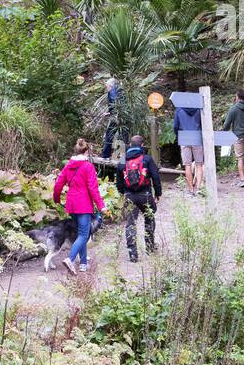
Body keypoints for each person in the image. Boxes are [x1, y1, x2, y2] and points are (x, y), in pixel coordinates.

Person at [53, 139, 105, 276]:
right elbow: (93, 189)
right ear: (87, 151)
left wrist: (57, 199)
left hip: (71, 204)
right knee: (84, 234)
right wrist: (101, 205)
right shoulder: (88, 167)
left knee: (83, 233)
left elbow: (58, 184)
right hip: (83, 204)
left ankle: (83, 264)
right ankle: (70, 259)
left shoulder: (68, 165)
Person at [116, 133, 162, 263]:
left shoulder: (122, 161)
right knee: (149, 218)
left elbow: (119, 182)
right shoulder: (147, 159)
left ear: (130, 145)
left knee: (130, 223)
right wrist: (158, 193)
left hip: (129, 196)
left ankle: (133, 254)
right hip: (145, 195)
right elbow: (156, 177)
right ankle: (150, 247)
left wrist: (124, 193)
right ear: (142, 145)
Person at [223, 89, 244, 188]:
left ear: (237, 97)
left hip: (237, 136)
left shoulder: (233, 109)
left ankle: (242, 180)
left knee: (240, 158)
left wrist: (225, 131)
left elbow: (226, 125)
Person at [173, 102, 204, 194]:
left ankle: (190, 190)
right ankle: (198, 188)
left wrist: (179, 135)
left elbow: (175, 126)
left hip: (184, 137)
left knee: (187, 165)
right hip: (197, 137)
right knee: (199, 164)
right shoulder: (199, 109)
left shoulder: (179, 110)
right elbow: (203, 124)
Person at [102, 77, 122, 159]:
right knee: (122, 135)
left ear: (110, 85)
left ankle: (106, 156)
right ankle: (120, 157)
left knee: (109, 134)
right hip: (122, 115)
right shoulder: (121, 90)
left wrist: (115, 114)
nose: (106, 88)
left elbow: (115, 102)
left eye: (106, 86)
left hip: (116, 116)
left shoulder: (112, 90)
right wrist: (109, 112)